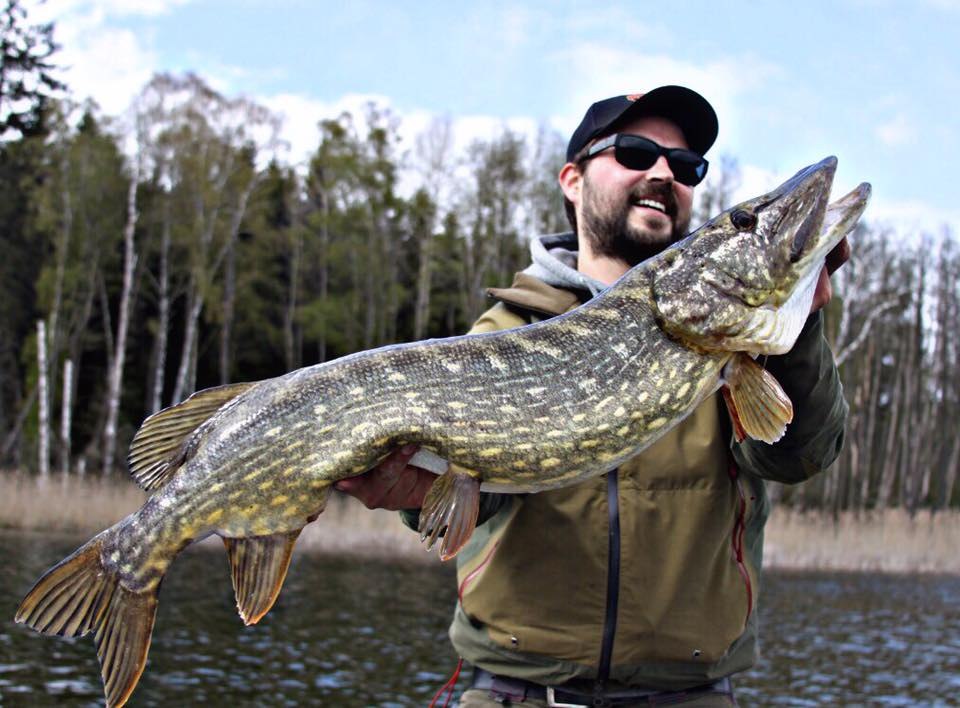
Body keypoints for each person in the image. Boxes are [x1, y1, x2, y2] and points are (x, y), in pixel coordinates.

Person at [336, 86, 849, 707]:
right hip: (516, 693)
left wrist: (794, 326)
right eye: (634, 153)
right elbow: (460, 498)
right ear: (573, 179)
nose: (663, 172)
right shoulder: (505, 335)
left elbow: (798, 455)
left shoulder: (737, 343)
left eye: (685, 167)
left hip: (690, 694)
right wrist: (416, 490)